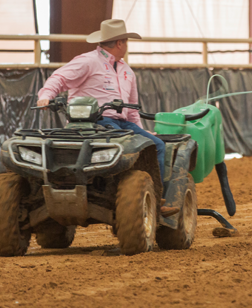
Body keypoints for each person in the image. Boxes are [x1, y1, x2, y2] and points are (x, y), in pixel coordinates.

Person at [37, 19, 179, 217]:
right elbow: (59, 78)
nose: (126, 46)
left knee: (156, 145)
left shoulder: (127, 71)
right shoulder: (88, 61)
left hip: (121, 123)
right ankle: (138, 196)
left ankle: (155, 198)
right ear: (120, 43)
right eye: (126, 42)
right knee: (130, 146)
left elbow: (131, 110)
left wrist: (141, 130)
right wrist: (45, 96)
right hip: (93, 122)